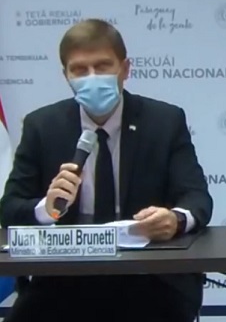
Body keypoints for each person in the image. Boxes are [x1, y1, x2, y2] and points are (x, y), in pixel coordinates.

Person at [0, 19, 213, 322]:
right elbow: (9, 210)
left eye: (102, 67)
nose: (92, 78)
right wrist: (46, 209)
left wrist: (175, 219)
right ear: (66, 76)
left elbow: (197, 198)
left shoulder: (165, 121)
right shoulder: (42, 126)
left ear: (125, 69)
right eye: (79, 70)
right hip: (63, 280)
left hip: (148, 276)